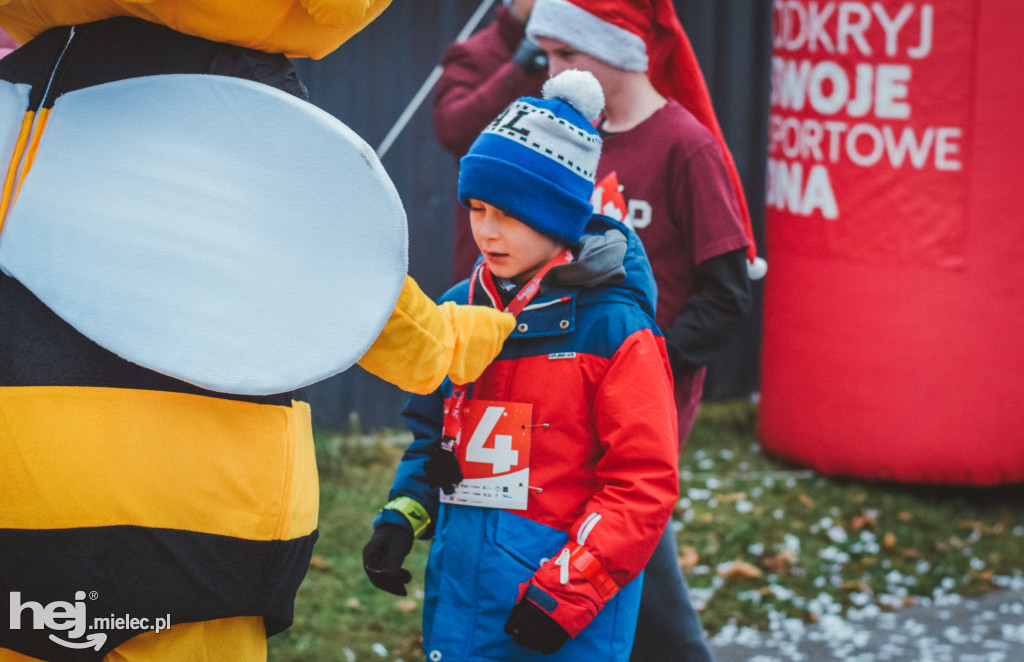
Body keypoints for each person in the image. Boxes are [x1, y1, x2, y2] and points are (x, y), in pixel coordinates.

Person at [0, 3, 514, 660]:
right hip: (186, 515)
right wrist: (446, 342)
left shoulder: (20, 86)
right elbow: (341, 273)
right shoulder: (237, 91)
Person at [363, 70, 679, 661]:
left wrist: (565, 594)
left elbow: (642, 486)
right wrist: (402, 516)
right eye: (477, 208)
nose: (486, 230)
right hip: (461, 605)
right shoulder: (458, 306)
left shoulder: (615, 329)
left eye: (508, 213)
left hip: (560, 620)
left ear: (557, 217)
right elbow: (435, 438)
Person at [525, 0, 766, 660]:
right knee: (570, 542)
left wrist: (653, 366)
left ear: (620, 50)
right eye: (546, 57)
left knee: (625, 540)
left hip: (641, 403)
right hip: (563, 389)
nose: (553, 74)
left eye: (568, 56)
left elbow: (726, 296)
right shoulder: (568, 133)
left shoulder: (687, 146)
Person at [433, 0, 548, 283]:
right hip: (490, 236)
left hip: (552, 231)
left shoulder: (573, 53)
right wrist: (516, 70)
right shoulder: (475, 52)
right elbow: (452, 128)